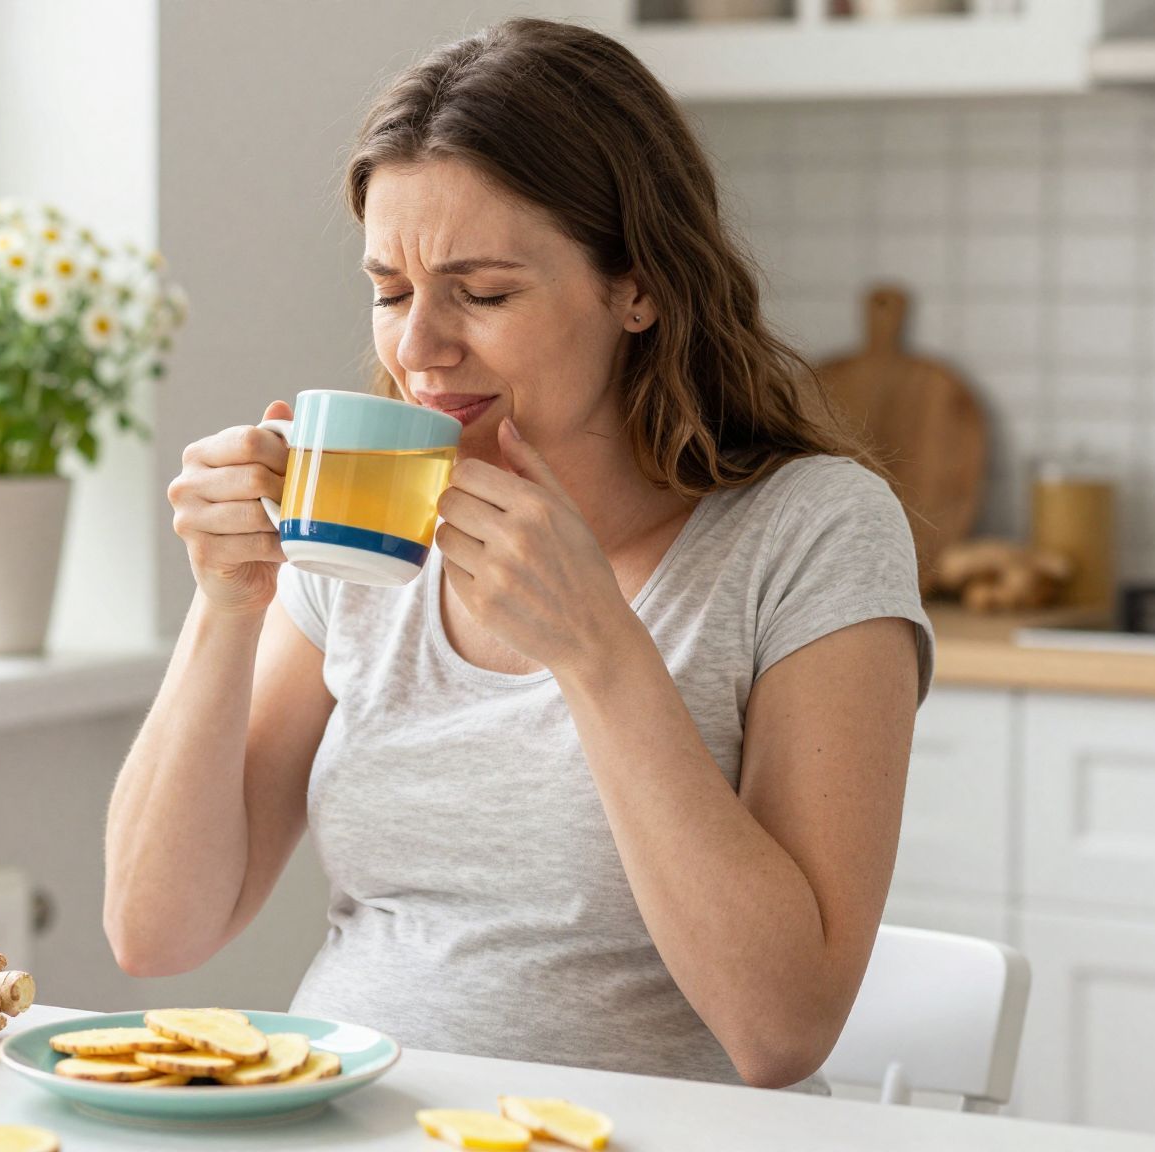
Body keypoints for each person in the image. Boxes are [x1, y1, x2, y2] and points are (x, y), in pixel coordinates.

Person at [104, 16, 931, 1092]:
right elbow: (155, 933)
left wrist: (599, 652)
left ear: (638, 286)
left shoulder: (810, 530)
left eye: (483, 293)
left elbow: (779, 1032)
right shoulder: (364, 511)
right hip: (344, 1118)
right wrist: (225, 607)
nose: (415, 349)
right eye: (390, 290)